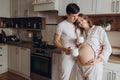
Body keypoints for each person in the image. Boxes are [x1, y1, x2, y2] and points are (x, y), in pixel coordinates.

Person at [73, 13, 112, 80]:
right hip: (80, 66)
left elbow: (108, 48)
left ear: (86, 19)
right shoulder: (80, 34)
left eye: (82, 20)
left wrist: (98, 60)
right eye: (78, 22)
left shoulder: (97, 29)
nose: (80, 23)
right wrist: (78, 45)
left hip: (93, 65)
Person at [53, 3, 80, 80]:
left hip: (77, 55)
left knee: (75, 78)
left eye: (77, 15)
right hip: (67, 55)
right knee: (65, 77)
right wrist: (64, 49)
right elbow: (55, 41)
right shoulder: (61, 25)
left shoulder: (77, 25)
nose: (76, 18)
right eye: (73, 16)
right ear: (67, 14)